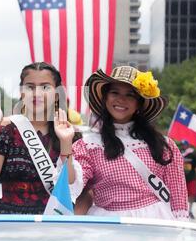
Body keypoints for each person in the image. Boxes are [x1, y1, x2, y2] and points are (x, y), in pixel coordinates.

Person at [72, 66, 189, 220]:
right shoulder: (88, 145)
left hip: (154, 224)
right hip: (108, 227)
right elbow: (72, 185)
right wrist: (66, 146)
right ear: (105, 98)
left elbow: (178, 196)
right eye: (115, 92)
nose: (121, 99)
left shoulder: (163, 144)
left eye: (130, 94)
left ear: (139, 103)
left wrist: (181, 234)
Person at [0, 62, 83, 214]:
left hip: (54, 224)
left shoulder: (71, 135)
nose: (37, 93)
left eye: (45, 87)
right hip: (10, 223)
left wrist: (66, 142)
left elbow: (69, 185)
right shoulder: (8, 132)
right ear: (21, 93)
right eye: (30, 87)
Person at [179, 140, 196, 219]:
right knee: (181, 195)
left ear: (188, 145)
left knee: (192, 194)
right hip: (180, 178)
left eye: (184, 144)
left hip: (191, 178)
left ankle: (190, 210)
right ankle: (182, 211)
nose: (183, 146)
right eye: (182, 144)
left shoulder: (192, 154)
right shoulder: (179, 153)